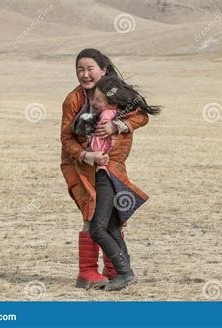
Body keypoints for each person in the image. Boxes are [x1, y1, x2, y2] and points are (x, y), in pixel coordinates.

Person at [60, 48, 149, 289]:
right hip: (81, 164)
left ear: (103, 70)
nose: (85, 74)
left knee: (115, 216)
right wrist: (88, 155)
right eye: (80, 69)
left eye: (90, 68)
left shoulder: (115, 92)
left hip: (112, 165)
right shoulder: (74, 100)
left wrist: (116, 126)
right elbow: (67, 140)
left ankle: (115, 271)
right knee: (92, 213)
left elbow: (141, 116)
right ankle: (87, 273)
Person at [89, 76, 161, 291]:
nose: (94, 102)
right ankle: (125, 273)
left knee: (98, 229)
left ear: (111, 102)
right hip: (112, 173)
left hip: (107, 174)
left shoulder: (108, 117)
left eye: (98, 99)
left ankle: (125, 273)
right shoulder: (115, 116)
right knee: (111, 227)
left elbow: (101, 146)